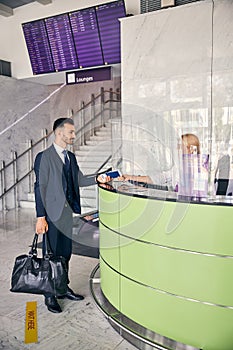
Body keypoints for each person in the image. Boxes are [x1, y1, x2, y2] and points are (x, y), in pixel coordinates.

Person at [34, 117, 110, 313]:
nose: (74, 135)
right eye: (71, 132)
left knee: (65, 253)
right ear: (59, 133)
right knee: (51, 255)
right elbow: (39, 187)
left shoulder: (71, 158)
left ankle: (62, 288)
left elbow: (80, 180)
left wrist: (98, 178)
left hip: (68, 214)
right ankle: (50, 294)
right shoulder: (44, 157)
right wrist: (40, 216)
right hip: (51, 215)